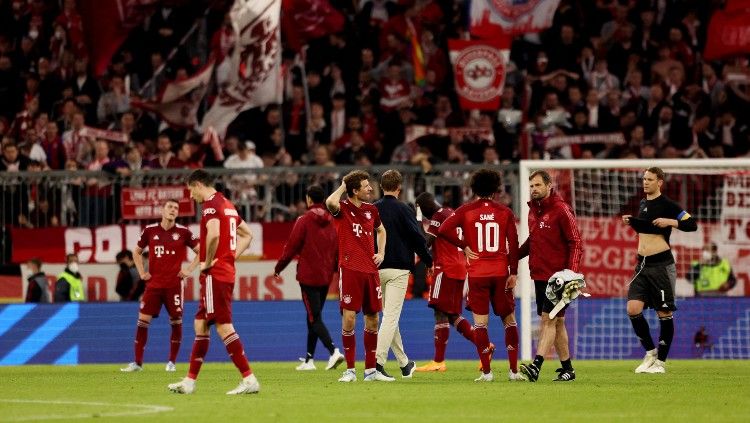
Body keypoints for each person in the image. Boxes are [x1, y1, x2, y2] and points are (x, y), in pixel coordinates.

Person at [168, 169, 260, 394]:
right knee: (200, 323)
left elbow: (214, 234)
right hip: (224, 270)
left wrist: (208, 261)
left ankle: (249, 379)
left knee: (222, 325)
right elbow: (248, 235)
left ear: (198, 184)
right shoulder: (227, 204)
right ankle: (189, 382)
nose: (191, 196)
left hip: (215, 274)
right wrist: (230, 256)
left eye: (191, 190)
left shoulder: (210, 205)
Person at [438, 169, 525, 382]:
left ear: (474, 188)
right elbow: (513, 246)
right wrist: (513, 272)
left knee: (480, 324)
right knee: (509, 320)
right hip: (500, 273)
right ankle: (514, 371)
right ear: (496, 189)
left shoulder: (465, 210)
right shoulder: (505, 212)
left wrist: (464, 246)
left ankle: (487, 373)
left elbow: (443, 230)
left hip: (477, 274)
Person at [622, 167, 697, 374]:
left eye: (650, 179)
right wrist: (633, 222)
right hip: (642, 265)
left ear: (660, 182)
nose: (645, 182)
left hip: (661, 266)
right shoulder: (643, 203)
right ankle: (650, 353)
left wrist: (671, 222)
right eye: (644, 179)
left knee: (664, 312)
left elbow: (692, 224)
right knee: (633, 308)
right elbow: (647, 230)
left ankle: (661, 363)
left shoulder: (667, 204)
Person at [518, 170, 583, 382]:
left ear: (548, 186)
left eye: (537, 185)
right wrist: (512, 257)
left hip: (559, 277)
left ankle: (536, 366)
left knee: (548, 319)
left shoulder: (561, 210)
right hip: (539, 274)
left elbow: (575, 242)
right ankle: (568, 369)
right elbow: (532, 241)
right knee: (557, 322)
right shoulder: (532, 212)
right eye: (531, 186)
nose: (534, 189)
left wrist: (570, 272)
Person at [325, 170, 389, 382]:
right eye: (365, 186)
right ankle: (350, 370)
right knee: (350, 319)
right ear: (354, 191)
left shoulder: (372, 210)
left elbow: (382, 231)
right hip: (350, 269)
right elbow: (329, 202)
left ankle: (370, 371)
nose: (371, 188)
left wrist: (381, 253)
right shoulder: (343, 208)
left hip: (371, 271)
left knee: (373, 319)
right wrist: (343, 185)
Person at [121, 200, 199, 373]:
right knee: (142, 322)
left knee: (176, 322)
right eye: (170, 207)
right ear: (162, 210)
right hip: (154, 285)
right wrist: (142, 273)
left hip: (174, 286)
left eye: (176, 208)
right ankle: (138, 363)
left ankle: (171, 362)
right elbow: (136, 252)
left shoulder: (184, 232)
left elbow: (202, 252)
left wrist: (188, 269)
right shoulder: (150, 231)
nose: (173, 210)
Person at [274, 185, 345, 371]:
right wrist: (336, 269)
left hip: (308, 275)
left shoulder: (304, 220)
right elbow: (337, 246)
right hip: (326, 275)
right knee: (314, 316)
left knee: (314, 317)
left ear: (308, 199)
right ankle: (309, 360)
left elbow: (291, 246)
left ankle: (333, 351)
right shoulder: (331, 220)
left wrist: (279, 267)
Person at [373, 170, 432, 379]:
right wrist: (428, 261)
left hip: (376, 268)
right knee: (390, 317)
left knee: (389, 318)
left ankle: (404, 363)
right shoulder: (404, 209)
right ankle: (377, 365)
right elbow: (417, 238)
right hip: (398, 270)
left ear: (381, 186)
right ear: (399, 188)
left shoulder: (372, 209)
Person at [414, 192, 481, 372]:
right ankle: (484, 346)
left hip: (446, 269)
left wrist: (418, 220)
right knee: (452, 315)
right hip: (458, 268)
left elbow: (425, 243)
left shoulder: (438, 216)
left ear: (425, 208)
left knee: (439, 312)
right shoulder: (450, 212)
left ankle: (438, 361)